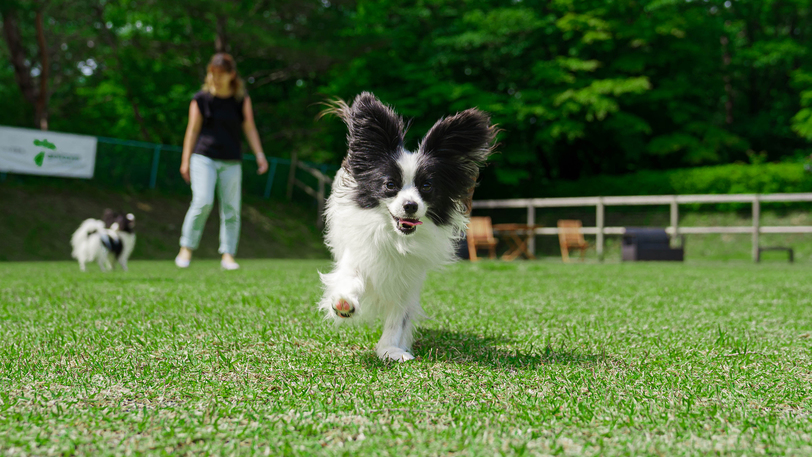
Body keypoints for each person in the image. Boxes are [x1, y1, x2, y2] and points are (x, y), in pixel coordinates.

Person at [175, 53, 269, 270]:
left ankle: (228, 255)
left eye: (220, 74)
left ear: (231, 75)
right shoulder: (201, 99)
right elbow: (192, 131)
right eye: (212, 73)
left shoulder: (240, 100)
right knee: (203, 201)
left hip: (231, 161)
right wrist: (185, 161)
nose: (215, 78)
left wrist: (260, 155)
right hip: (203, 158)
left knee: (231, 208)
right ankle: (186, 248)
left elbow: (250, 128)